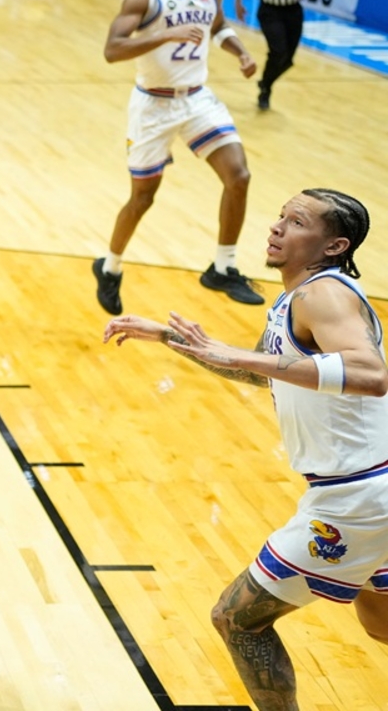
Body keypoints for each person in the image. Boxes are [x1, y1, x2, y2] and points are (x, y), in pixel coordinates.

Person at [102, 189, 388, 711]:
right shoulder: (296, 298)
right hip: (375, 490)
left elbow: (371, 375)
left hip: (357, 499)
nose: (276, 227)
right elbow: (253, 369)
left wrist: (237, 354)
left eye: (296, 221)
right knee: (381, 625)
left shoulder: (321, 296)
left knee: (237, 619)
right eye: (280, 216)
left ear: (333, 245)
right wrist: (170, 337)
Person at [92, 0, 261, 315]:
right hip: (153, 106)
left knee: (239, 176)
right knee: (143, 198)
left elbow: (217, 27)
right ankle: (110, 267)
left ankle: (223, 266)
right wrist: (165, 34)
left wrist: (241, 52)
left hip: (198, 98)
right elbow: (112, 50)